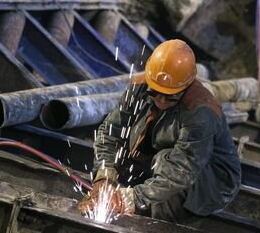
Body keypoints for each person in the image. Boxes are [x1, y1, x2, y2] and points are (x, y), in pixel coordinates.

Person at [79, 39, 241, 224]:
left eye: (170, 96)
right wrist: (105, 177)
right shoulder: (139, 87)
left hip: (211, 179)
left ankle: (160, 224)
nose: (161, 101)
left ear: (186, 86)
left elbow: (182, 169)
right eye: (155, 93)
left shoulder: (201, 110)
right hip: (162, 164)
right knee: (123, 159)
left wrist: (131, 198)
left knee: (164, 160)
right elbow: (111, 132)